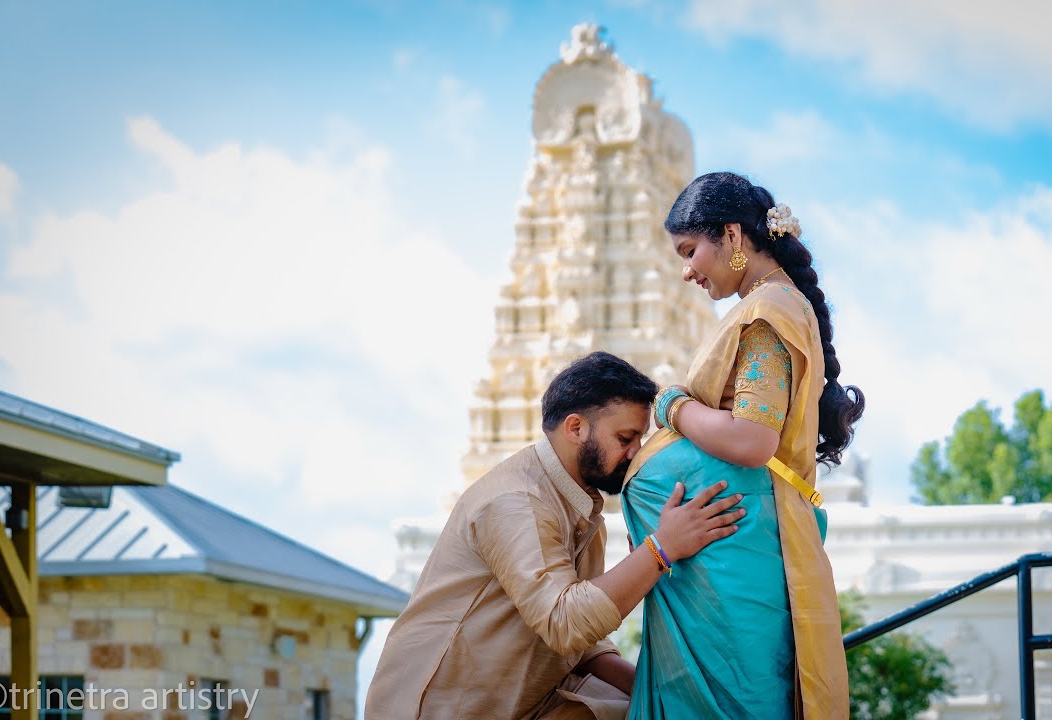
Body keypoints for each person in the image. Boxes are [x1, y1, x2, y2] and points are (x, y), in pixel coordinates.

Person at [365, 351, 746, 720]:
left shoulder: (578, 503)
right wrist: (660, 550)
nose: (635, 454)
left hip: (528, 701)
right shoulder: (517, 503)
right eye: (625, 438)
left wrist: (656, 693)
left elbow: (585, 645)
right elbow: (566, 623)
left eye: (639, 441)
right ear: (576, 428)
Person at [621, 172, 865, 719]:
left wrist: (673, 408)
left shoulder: (769, 310)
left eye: (690, 251)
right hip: (731, 552)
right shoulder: (775, 304)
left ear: (732, 236)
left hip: (737, 564)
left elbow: (754, 441)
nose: (686, 271)